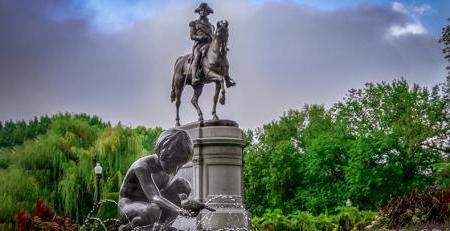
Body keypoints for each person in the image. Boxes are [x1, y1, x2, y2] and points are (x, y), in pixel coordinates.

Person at [118, 129, 196, 231]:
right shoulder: (142, 166)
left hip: (152, 206)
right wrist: (179, 210)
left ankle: (163, 226)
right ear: (162, 154)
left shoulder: (172, 164)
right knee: (153, 210)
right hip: (129, 206)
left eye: (179, 165)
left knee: (182, 184)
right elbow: (155, 197)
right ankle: (126, 228)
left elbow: (167, 196)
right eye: (173, 163)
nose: (175, 169)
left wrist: (191, 204)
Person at [189, 3, 215, 86]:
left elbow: (214, 37)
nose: (203, 12)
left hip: (209, 45)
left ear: (208, 13)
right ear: (199, 12)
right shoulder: (194, 23)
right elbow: (192, 36)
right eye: (201, 10)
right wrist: (201, 37)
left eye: (205, 11)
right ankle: (193, 77)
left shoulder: (211, 26)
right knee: (198, 55)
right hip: (199, 45)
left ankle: (226, 76)